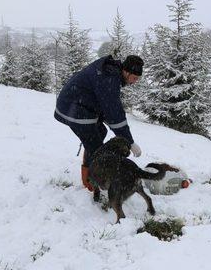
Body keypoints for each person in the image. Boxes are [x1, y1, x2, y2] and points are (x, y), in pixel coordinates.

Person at [54, 54, 144, 191]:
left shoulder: (111, 72)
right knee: (96, 148)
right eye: (135, 78)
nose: (135, 81)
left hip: (79, 105)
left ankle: (89, 168)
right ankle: (91, 182)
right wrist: (130, 142)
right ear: (126, 71)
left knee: (101, 131)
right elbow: (115, 115)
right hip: (73, 108)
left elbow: (107, 108)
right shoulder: (109, 78)